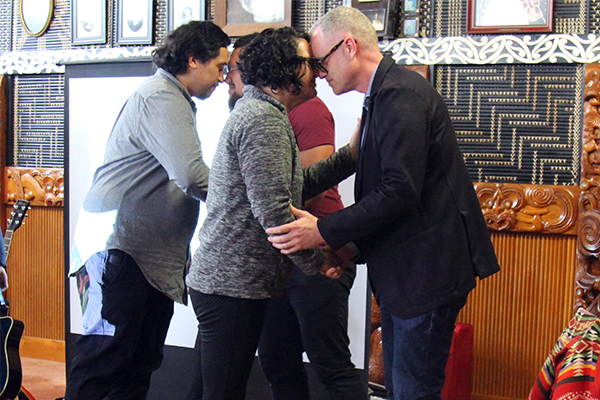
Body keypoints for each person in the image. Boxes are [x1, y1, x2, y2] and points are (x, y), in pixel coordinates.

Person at [265, 6, 500, 400]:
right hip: (410, 272)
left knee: (412, 393)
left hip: (425, 275)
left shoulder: (399, 94)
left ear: (349, 46)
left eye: (321, 62)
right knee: (402, 390)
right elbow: (398, 194)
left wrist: (321, 230)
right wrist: (350, 247)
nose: (320, 74)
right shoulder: (385, 92)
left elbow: (399, 192)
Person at [184, 26, 358, 400]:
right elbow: (276, 216)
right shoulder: (263, 119)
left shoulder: (265, 113)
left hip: (231, 284)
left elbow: (294, 188)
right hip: (231, 287)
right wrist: (319, 260)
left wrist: (350, 156)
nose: (317, 70)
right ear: (284, 69)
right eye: (308, 63)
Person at [64, 21, 230, 400]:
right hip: (118, 249)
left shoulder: (170, 96)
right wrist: (248, 199)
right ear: (192, 59)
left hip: (138, 255)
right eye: (219, 67)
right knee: (103, 363)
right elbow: (191, 175)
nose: (222, 78)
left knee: (137, 364)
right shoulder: (161, 96)